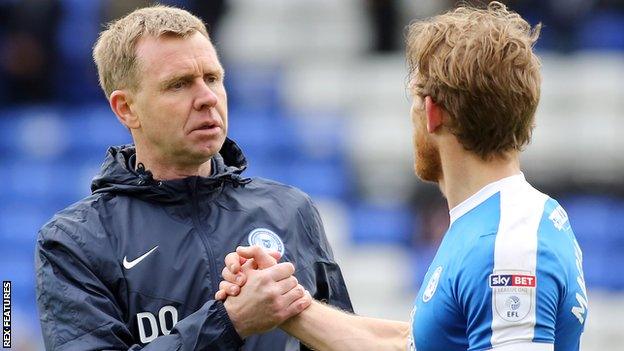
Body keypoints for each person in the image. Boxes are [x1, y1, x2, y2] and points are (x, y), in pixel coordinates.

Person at [217, 2, 589, 350]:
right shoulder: (496, 221)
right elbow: (411, 344)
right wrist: (286, 302)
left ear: (432, 113)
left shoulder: (506, 246)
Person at [34, 5, 353, 350]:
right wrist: (230, 321)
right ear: (126, 108)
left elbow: (343, 341)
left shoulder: (291, 210)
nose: (207, 98)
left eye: (213, 78)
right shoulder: (75, 241)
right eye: (179, 85)